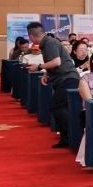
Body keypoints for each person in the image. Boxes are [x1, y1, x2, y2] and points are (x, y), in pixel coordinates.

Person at [26, 21, 82, 149]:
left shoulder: (50, 43)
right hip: (64, 78)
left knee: (57, 107)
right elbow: (54, 62)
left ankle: (71, 136)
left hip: (67, 78)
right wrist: (47, 73)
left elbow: (57, 62)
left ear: (31, 36)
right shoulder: (47, 42)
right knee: (60, 108)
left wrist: (39, 67)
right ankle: (68, 137)